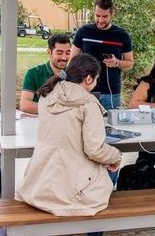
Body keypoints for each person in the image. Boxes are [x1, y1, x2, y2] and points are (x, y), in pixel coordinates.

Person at [15, 53, 122, 219]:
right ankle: (96, 230)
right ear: (88, 79)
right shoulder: (88, 104)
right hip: (72, 193)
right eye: (96, 79)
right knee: (111, 165)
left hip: (38, 185)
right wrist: (116, 156)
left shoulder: (46, 94)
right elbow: (95, 150)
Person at [71, 0, 134, 110]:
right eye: (97, 16)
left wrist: (117, 63)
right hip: (85, 90)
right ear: (94, 12)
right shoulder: (83, 32)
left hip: (111, 93)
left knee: (110, 127)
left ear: (112, 14)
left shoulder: (122, 35)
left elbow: (129, 63)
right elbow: (72, 61)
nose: (100, 20)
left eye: (105, 16)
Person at [20, 34, 72, 114]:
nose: (64, 58)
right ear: (49, 52)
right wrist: (56, 110)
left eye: (67, 53)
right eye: (59, 53)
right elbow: (25, 105)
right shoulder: (33, 73)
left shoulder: (74, 74)